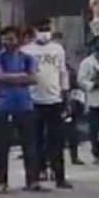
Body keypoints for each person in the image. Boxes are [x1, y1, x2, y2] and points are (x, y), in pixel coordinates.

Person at [22, 23, 73, 189]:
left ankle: (59, 176)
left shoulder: (57, 49)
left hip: (54, 100)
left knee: (56, 141)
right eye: (41, 29)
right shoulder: (26, 51)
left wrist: (65, 95)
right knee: (34, 142)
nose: (44, 33)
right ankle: (36, 175)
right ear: (34, 32)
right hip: (33, 101)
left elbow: (63, 73)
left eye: (46, 29)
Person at [0, 26, 41, 193]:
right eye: (5, 39)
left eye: (11, 38)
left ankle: (32, 180)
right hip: (4, 106)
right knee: (2, 146)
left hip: (25, 106)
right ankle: (2, 181)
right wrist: (22, 77)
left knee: (30, 146)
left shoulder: (28, 58)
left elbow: (34, 79)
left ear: (18, 40)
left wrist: (10, 78)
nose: (8, 42)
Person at [78, 38, 99, 163]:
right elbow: (81, 80)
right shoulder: (87, 63)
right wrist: (94, 84)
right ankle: (97, 153)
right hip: (94, 100)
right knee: (95, 129)